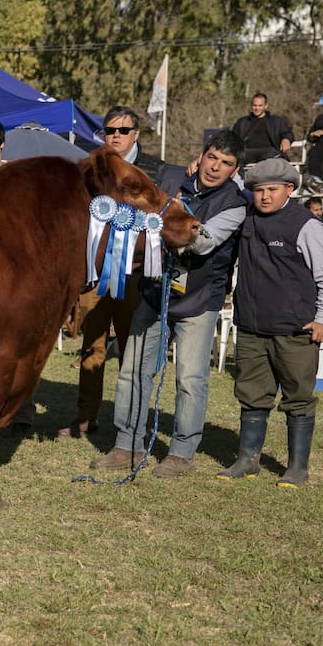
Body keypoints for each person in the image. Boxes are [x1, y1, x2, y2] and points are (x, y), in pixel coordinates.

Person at [91, 131, 248, 475]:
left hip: (199, 301)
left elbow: (203, 242)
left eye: (226, 163)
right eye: (212, 157)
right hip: (153, 292)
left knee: (190, 379)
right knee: (133, 371)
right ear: (202, 155)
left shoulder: (236, 204)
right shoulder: (171, 178)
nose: (215, 167)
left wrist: (162, 226)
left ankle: (181, 453)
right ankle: (125, 445)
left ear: (235, 169)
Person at [216, 158, 323, 488]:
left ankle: (297, 468)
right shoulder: (246, 219)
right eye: (258, 190)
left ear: (290, 189)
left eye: (272, 190)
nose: (265, 197)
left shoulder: (306, 225)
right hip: (252, 328)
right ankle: (247, 459)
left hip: (295, 330)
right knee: (252, 395)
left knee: (298, 397)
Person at [60, 106, 164, 437]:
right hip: (95, 271)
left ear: (136, 134)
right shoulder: (92, 169)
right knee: (92, 347)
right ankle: (85, 417)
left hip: (136, 272)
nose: (115, 136)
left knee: (133, 353)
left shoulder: (155, 170)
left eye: (122, 130)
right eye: (109, 130)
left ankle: (134, 422)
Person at [231, 93, 293, 165]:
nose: (257, 108)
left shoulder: (276, 121)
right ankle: (240, 176)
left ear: (266, 106)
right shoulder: (243, 122)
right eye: (255, 105)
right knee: (236, 159)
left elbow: (287, 132)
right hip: (248, 152)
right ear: (251, 106)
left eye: (260, 105)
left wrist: (286, 139)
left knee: (272, 159)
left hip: (269, 152)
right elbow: (232, 137)